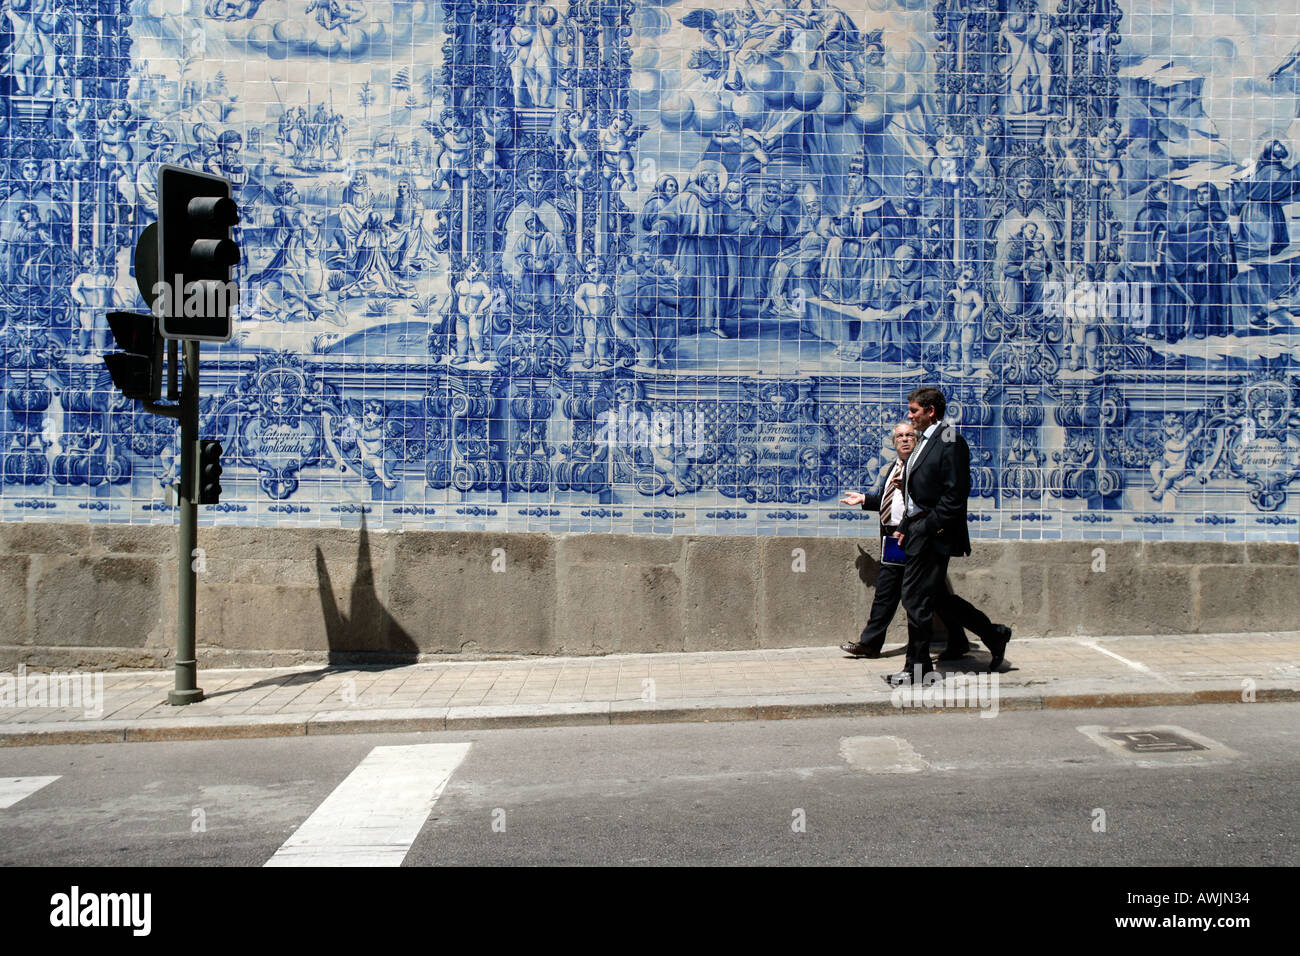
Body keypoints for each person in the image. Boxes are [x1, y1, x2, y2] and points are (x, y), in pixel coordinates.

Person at [885, 386, 1012, 685]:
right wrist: (905, 526)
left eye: (914, 411)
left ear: (931, 411)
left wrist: (928, 527)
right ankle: (995, 634)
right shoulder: (922, 442)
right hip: (916, 529)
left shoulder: (950, 441)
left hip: (934, 533)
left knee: (915, 598)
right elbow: (917, 492)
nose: (910, 416)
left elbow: (955, 496)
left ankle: (917, 669)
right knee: (938, 599)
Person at [838, 422, 973, 661]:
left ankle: (873, 645)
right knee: (893, 592)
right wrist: (865, 499)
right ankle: (871, 643)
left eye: (910, 435)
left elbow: (930, 500)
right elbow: (889, 500)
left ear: (918, 439)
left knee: (923, 595)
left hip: (915, 536)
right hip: (893, 538)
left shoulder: (920, 467)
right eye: (900, 436)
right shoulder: (895, 467)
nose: (905, 439)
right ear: (894, 443)